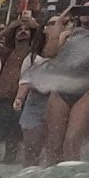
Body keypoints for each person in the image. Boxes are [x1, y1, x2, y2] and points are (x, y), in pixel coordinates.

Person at [38, 0, 89, 164]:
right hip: (62, 89)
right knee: (53, 143)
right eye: (84, 9)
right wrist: (61, 20)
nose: (88, 13)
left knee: (71, 141)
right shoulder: (67, 34)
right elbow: (49, 53)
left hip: (87, 90)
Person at [0, 18, 38, 165]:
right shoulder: (7, 52)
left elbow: (45, 40)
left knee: (13, 138)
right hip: (1, 99)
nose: (23, 31)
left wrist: (34, 25)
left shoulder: (34, 54)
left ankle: (7, 167)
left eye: (26, 30)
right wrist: (10, 27)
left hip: (21, 100)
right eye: (19, 30)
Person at [13, 14, 55, 165]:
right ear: (44, 29)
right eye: (52, 23)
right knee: (31, 150)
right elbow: (25, 80)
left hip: (58, 103)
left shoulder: (69, 54)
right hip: (35, 103)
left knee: (53, 150)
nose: (57, 27)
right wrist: (19, 98)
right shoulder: (32, 57)